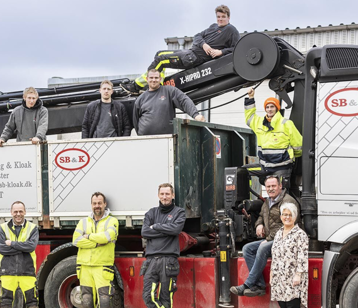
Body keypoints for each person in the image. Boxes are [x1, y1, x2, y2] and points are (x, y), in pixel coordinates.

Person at [123, 5, 239, 94]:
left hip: (193, 58)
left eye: (223, 17)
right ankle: (158, 84)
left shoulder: (231, 30)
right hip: (189, 52)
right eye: (218, 16)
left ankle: (136, 86)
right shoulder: (213, 26)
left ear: (228, 17)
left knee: (161, 60)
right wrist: (204, 45)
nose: (220, 19)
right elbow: (197, 36)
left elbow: (235, 50)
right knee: (159, 54)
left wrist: (220, 52)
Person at [230, 175, 300, 297]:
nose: (271, 189)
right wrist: (259, 224)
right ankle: (259, 285)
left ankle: (247, 285)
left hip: (287, 240)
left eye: (273, 186)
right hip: (272, 240)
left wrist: (268, 239)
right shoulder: (268, 202)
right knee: (247, 249)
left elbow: (287, 226)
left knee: (262, 248)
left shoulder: (288, 202)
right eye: (268, 186)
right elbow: (261, 216)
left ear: (280, 186)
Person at [243, 88, 302, 184]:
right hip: (265, 166)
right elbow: (249, 117)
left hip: (282, 167)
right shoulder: (259, 123)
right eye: (267, 107)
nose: (269, 109)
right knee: (241, 171)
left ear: (277, 108)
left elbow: (298, 145)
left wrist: (288, 157)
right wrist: (251, 97)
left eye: (272, 107)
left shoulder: (287, 123)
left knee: (279, 192)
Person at [140, 183, 186, 308]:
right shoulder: (151, 212)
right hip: (151, 261)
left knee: (166, 297)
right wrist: (166, 231)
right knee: (148, 296)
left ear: (173, 195)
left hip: (169, 261)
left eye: (167, 194)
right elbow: (144, 232)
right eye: (162, 194)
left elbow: (176, 230)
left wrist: (155, 226)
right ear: (158, 195)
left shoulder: (179, 212)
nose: (164, 197)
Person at [72, 192, 119, 308]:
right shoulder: (83, 222)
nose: (97, 206)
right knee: (86, 300)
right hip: (84, 267)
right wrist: (97, 244)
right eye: (94, 203)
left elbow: (107, 237)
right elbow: (76, 241)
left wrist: (88, 236)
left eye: (99, 203)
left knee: (104, 301)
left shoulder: (112, 221)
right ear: (91, 204)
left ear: (104, 204)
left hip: (102, 267)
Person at [133, 69, 206, 135]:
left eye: (156, 78)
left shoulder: (169, 91)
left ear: (160, 79)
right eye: (151, 78)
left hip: (167, 139)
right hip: (145, 140)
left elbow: (184, 100)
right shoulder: (140, 99)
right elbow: (135, 120)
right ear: (147, 79)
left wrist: (195, 115)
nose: (154, 80)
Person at [0, 201, 39, 308]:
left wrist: (12, 244)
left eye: (20, 211)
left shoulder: (32, 228)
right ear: (11, 212)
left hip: (27, 272)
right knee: (5, 303)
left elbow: (31, 247)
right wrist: (23, 248)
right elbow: (2, 249)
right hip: (7, 272)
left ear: (25, 212)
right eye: (15, 211)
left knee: (32, 303)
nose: (18, 214)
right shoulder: (2, 228)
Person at [270, 203, 308, 308]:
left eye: (290, 215)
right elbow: (275, 255)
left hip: (293, 278)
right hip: (279, 278)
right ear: (281, 216)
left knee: (292, 305)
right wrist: (272, 273)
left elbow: (302, 256)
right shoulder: (278, 233)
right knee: (282, 305)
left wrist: (298, 275)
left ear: (295, 217)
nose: (287, 217)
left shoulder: (300, 234)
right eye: (284, 214)